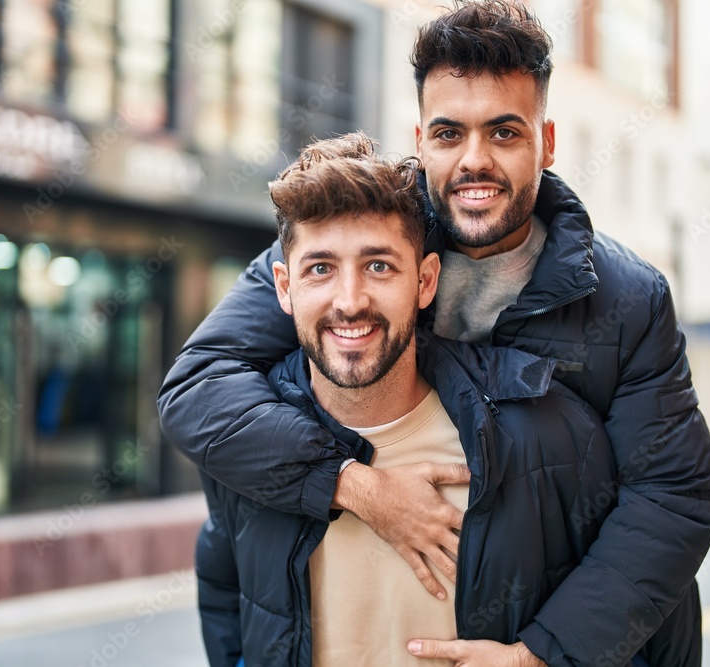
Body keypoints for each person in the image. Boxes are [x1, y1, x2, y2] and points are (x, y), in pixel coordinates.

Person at [160, 2, 710, 664]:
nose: (474, 162)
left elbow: (672, 497)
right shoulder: (361, 238)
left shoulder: (627, 298)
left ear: (547, 141)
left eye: (505, 134)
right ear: (420, 137)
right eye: (451, 133)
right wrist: (356, 484)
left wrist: (540, 654)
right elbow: (196, 391)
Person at [195, 132, 617, 667]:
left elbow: (631, 625)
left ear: (425, 282)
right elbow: (224, 598)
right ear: (283, 287)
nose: (350, 302)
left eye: (378, 266)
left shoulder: (545, 436)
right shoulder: (242, 447)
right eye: (320, 269)